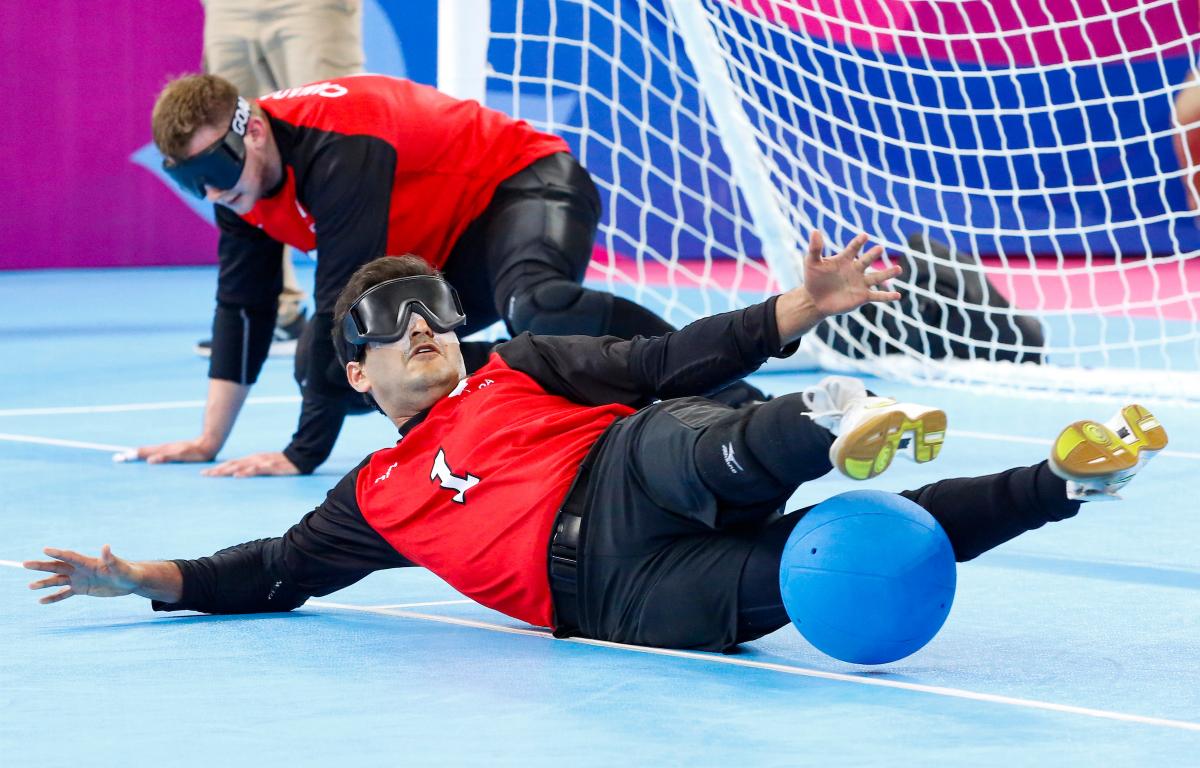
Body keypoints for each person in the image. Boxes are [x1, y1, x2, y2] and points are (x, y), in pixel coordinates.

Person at [26, 237, 1167, 652]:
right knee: (844, 563)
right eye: (391, 322)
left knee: (676, 434)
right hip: (618, 605)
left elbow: (665, 365)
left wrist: (795, 314)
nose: (425, 326)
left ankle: (821, 421)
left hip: (621, 474)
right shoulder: (371, 499)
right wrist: (144, 582)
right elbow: (267, 575)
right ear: (357, 371)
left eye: (432, 304)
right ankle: (1059, 479)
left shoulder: (519, 368)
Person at [136, 72, 753, 479]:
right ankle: (534, 386)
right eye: (192, 182)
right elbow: (244, 307)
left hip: (523, 182)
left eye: (216, 166)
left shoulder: (338, 147)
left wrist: (302, 456)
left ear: (257, 131)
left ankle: (710, 377)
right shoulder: (239, 190)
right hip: (444, 252)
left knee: (538, 305)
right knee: (337, 370)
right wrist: (207, 439)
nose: (212, 189)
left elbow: (342, 308)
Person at [192, 0, 367, 358]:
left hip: (308, 6)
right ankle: (276, 312)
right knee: (230, 147)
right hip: (229, 9)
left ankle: (369, 304)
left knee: (341, 131)